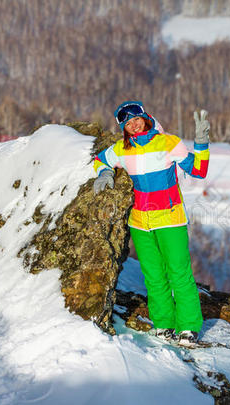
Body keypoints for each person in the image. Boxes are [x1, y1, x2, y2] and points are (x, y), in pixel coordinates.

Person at [92, 101, 210, 347]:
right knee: (154, 276)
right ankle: (163, 323)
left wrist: (201, 143)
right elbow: (100, 159)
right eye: (127, 124)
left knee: (179, 273)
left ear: (145, 118)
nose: (133, 125)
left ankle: (188, 327)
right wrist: (105, 172)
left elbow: (198, 170)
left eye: (136, 119)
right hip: (140, 222)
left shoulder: (168, 142)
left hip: (170, 218)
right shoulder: (122, 149)